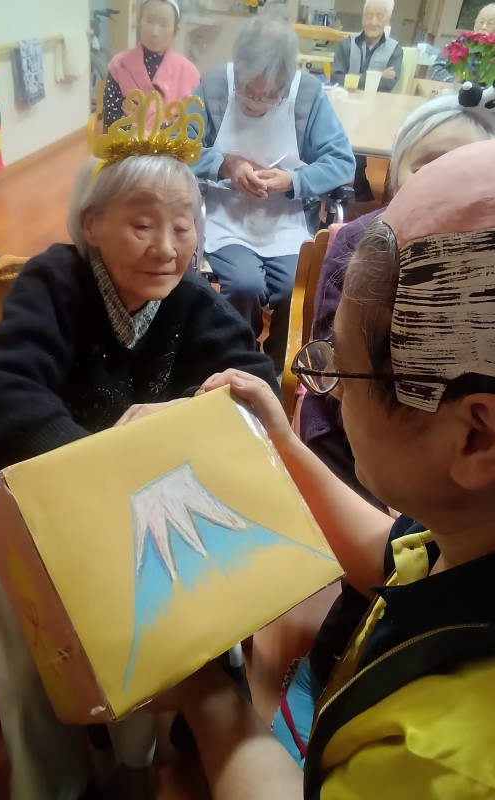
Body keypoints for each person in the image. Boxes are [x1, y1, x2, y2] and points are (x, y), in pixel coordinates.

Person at [0, 92, 278, 800]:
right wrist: (97, 466)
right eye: (141, 223)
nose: (166, 247)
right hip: (34, 494)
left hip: (143, 505)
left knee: (164, 625)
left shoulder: (191, 300)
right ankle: (51, 784)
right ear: (92, 224)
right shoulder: (54, 281)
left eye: (183, 226)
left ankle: (136, 763)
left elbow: (254, 385)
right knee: (30, 651)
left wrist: (178, 419)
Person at [165, 137, 495, 798]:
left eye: (344, 367)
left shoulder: (436, 763)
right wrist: (281, 441)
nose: (332, 392)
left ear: (474, 437)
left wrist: (207, 693)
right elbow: (395, 558)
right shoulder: (469, 532)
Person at [300, 84, 495, 508]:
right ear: (395, 173)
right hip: (355, 436)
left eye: (467, 169)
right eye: (427, 168)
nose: (444, 185)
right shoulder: (360, 244)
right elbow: (339, 371)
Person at [189, 15, 355, 373]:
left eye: (271, 95)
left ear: (288, 81)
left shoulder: (307, 94)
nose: (256, 103)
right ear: (238, 68)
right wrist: (224, 164)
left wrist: (293, 181)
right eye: (248, 90)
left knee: (296, 289)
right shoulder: (214, 85)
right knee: (244, 285)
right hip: (225, 215)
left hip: (285, 219)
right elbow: (178, 147)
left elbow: (342, 162)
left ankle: (280, 370)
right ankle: (236, 360)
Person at [331, 0, 403, 201]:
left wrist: (354, 79)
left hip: (377, 109)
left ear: (387, 19)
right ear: (362, 18)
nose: (373, 21)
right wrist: (377, 76)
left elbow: (389, 85)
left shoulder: (395, 49)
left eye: (379, 16)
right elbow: (337, 78)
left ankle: (358, 177)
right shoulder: (346, 44)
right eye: (369, 15)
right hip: (345, 107)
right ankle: (353, 179)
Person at [103, 0, 199, 130]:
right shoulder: (119, 65)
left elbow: (192, 124)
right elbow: (111, 116)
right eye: (150, 20)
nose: (155, 32)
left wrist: (159, 135)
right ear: (139, 21)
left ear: (175, 30)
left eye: (164, 24)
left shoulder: (190, 73)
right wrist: (135, 135)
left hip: (172, 142)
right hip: (126, 141)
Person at [429, 3, 495, 82]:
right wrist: (454, 83)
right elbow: (435, 71)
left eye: (490, 23)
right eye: (481, 22)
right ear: (475, 24)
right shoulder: (458, 44)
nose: (483, 27)